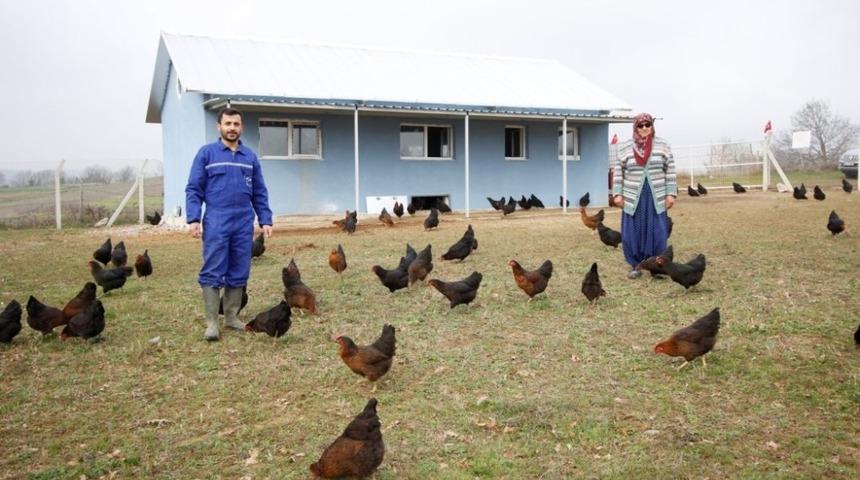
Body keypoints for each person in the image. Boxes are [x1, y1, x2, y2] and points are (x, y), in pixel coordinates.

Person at [186, 108, 273, 341]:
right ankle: (212, 323)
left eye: (236, 124)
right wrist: (194, 218)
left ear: (241, 127)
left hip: (243, 220)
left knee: (239, 268)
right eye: (228, 124)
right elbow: (194, 188)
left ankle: (232, 317)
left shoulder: (249, 157)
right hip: (217, 219)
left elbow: (259, 191)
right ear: (219, 127)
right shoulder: (207, 154)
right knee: (213, 268)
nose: (232, 128)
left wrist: (265, 218)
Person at [611, 113, 677, 278]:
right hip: (633, 197)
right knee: (632, 233)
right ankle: (636, 265)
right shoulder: (625, 148)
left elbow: (670, 170)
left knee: (658, 231)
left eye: (648, 124)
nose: (645, 128)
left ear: (652, 126)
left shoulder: (663, 145)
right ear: (635, 127)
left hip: (656, 197)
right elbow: (618, 172)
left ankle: (656, 266)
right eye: (640, 125)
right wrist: (617, 194)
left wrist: (671, 194)